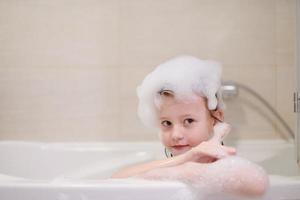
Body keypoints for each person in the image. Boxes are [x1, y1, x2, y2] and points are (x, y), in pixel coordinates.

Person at [112, 55, 268, 197]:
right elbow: (114, 181)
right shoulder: (173, 168)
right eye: (167, 123)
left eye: (189, 121)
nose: (176, 134)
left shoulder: (222, 162)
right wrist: (186, 161)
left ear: (215, 118)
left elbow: (258, 184)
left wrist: (191, 172)